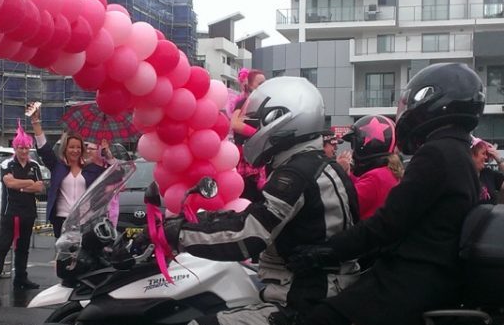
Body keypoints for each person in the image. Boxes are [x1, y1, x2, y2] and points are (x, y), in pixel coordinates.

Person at [143, 76, 361, 324]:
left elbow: (249, 234)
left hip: (306, 302)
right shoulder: (318, 165)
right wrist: (197, 221)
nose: (251, 133)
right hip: (324, 291)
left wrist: (174, 234)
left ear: (280, 121)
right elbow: (256, 216)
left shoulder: (295, 174)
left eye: (257, 124)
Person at [285, 62, 484, 325]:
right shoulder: (460, 155)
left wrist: (322, 252)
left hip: (411, 279)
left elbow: (387, 224)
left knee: (321, 318)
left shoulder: (436, 153)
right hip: (437, 278)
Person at [28, 105, 114, 239]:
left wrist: (108, 154)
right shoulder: (57, 166)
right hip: (62, 219)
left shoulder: (91, 169)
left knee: (81, 258)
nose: (75, 150)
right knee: (64, 257)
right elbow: (44, 149)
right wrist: (36, 123)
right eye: (71, 147)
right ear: (65, 148)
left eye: (78, 147)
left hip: (84, 220)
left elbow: (115, 174)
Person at [0, 121, 44, 290]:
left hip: (28, 212)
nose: (23, 151)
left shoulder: (34, 165)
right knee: (3, 245)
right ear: (15, 148)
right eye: (20, 148)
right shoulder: (7, 164)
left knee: (23, 248)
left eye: (26, 148)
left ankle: (21, 278)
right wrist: (28, 183)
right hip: (11, 212)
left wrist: (21, 186)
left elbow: (39, 187)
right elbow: (9, 183)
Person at [336, 115, 403, 220]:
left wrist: (337, 172)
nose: (353, 151)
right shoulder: (385, 172)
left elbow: (341, 208)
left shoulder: (374, 178)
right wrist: (348, 174)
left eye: (354, 145)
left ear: (365, 146)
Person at [231, 68, 267, 203]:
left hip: (259, 155)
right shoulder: (244, 102)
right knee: (248, 193)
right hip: (246, 155)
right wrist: (258, 133)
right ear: (250, 86)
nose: (264, 87)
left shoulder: (264, 104)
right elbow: (235, 124)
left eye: (265, 83)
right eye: (260, 84)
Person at [470, 136, 504, 204]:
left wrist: (499, 159)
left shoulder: (488, 173)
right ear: (471, 155)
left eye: (487, 154)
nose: (486, 157)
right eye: (483, 153)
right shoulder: (461, 176)